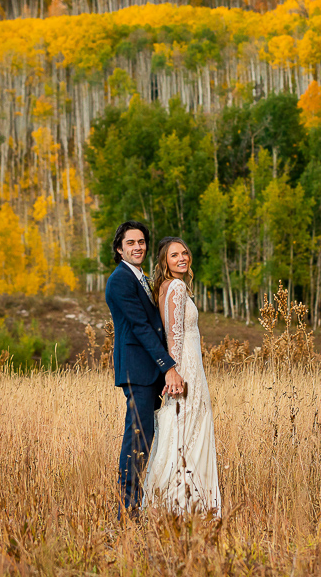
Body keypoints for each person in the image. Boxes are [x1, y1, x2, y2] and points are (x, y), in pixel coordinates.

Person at [104, 220, 186, 515]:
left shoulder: (139, 276)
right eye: (130, 243)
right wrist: (168, 365)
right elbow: (141, 327)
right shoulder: (120, 280)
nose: (137, 247)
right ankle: (127, 509)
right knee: (137, 436)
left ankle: (145, 500)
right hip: (138, 370)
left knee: (147, 435)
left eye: (141, 242)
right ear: (119, 248)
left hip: (147, 371)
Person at [141, 236, 222, 515]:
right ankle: (184, 505)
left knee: (182, 430)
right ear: (164, 261)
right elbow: (173, 334)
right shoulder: (175, 286)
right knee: (188, 429)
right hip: (185, 369)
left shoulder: (164, 287)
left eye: (184, 253)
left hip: (184, 365)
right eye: (174, 255)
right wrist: (172, 371)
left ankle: (174, 500)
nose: (182, 258)